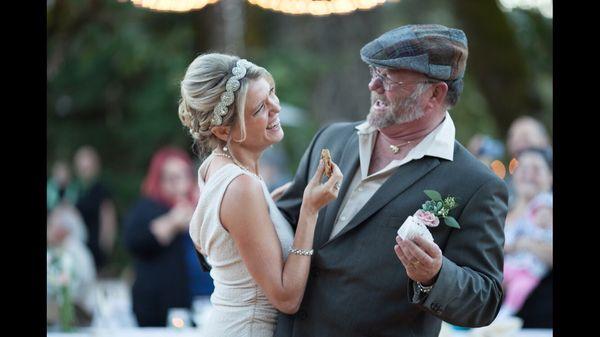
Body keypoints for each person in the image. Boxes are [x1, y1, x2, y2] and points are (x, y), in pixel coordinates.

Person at [273, 24, 509, 337]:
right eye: (374, 72)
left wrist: (435, 275)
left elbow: (485, 300)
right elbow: (284, 226)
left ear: (434, 93)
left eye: (389, 78)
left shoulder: (476, 183)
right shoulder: (332, 139)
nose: (373, 85)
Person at [179, 53, 343, 336]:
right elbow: (286, 298)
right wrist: (309, 211)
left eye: (272, 94)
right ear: (222, 130)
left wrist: (270, 208)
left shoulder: (213, 168)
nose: (275, 108)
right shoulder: (242, 187)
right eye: (259, 109)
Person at [122, 147, 207, 326]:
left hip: (200, 302)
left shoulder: (200, 206)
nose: (181, 183)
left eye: (185, 175)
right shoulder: (148, 207)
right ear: (159, 180)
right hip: (157, 307)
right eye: (173, 177)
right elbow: (133, 241)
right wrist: (173, 221)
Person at [47, 203, 97, 324]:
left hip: (77, 319)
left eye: (50, 224)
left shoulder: (75, 253)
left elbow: (74, 291)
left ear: (62, 230)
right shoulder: (57, 251)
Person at [73, 146, 118, 272]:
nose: (84, 171)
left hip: (95, 249)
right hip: (76, 249)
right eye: (82, 167)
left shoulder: (102, 191)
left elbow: (109, 221)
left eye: (87, 167)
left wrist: (105, 249)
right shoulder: (74, 190)